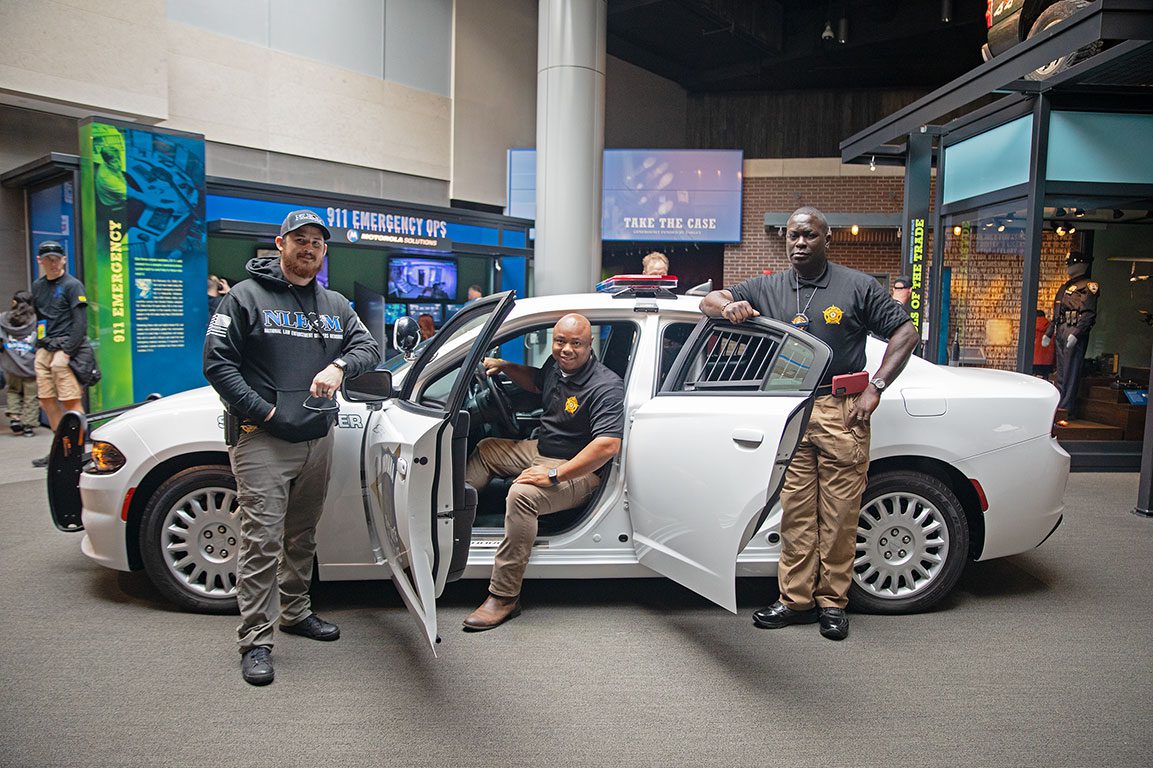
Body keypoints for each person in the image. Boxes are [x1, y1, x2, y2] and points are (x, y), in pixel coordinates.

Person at [700, 207, 918, 641]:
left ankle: (833, 604)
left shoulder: (857, 286)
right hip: (791, 412)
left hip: (842, 409)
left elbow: (906, 332)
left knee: (839, 515)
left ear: (827, 239)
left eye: (809, 236)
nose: (800, 243)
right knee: (796, 513)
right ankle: (795, 600)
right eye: (793, 236)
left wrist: (876, 387)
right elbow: (708, 302)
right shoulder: (767, 287)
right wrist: (729, 306)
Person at [203, 209, 379, 686]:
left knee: (301, 535)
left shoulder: (335, 304)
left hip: (317, 437)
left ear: (324, 251)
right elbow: (217, 365)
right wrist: (265, 413)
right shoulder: (244, 297)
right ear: (280, 244)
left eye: (317, 242)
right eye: (300, 240)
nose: (309, 248)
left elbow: (369, 349)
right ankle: (255, 640)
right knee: (261, 541)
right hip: (263, 438)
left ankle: (295, 612)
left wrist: (340, 366)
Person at [462, 313, 624, 631]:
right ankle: (452, 519)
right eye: (560, 341)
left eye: (576, 343)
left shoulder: (605, 385)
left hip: (578, 470)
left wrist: (553, 476)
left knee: (521, 495)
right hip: (542, 450)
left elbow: (607, 446)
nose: (566, 349)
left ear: (590, 344)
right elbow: (536, 380)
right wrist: (505, 366)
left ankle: (504, 596)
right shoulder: (557, 366)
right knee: (487, 449)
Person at [30, 241, 90, 467]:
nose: (53, 263)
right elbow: (40, 317)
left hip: (65, 349)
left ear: (64, 260)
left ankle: (78, 452)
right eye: (48, 260)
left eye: (56, 259)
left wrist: (67, 352)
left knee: (70, 401)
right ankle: (59, 451)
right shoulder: (38, 286)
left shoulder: (72, 285)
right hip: (45, 348)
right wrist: (39, 343)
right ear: (40, 261)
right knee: (46, 399)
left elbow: (80, 322)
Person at [1043, 250, 1098, 424]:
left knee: (1071, 370)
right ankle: (1059, 406)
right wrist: (1049, 332)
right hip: (1062, 328)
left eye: (1072, 263)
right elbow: (1057, 313)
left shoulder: (1088, 286)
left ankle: (1066, 409)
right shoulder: (1066, 286)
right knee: (1061, 371)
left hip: (1073, 329)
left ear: (1082, 265)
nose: (1069, 267)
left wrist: (1077, 332)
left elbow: (1088, 313)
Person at [0, 290, 39, 437]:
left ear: (14, 302)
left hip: (12, 364)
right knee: (31, 396)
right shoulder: (36, 319)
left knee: (13, 390)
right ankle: (28, 426)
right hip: (31, 365)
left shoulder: (3, 319)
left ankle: (15, 418)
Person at [1033, 309, 1055, 379]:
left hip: (1034, 359)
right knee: (1045, 379)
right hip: (1047, 360)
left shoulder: (1031, 325)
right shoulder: (1050, 327)